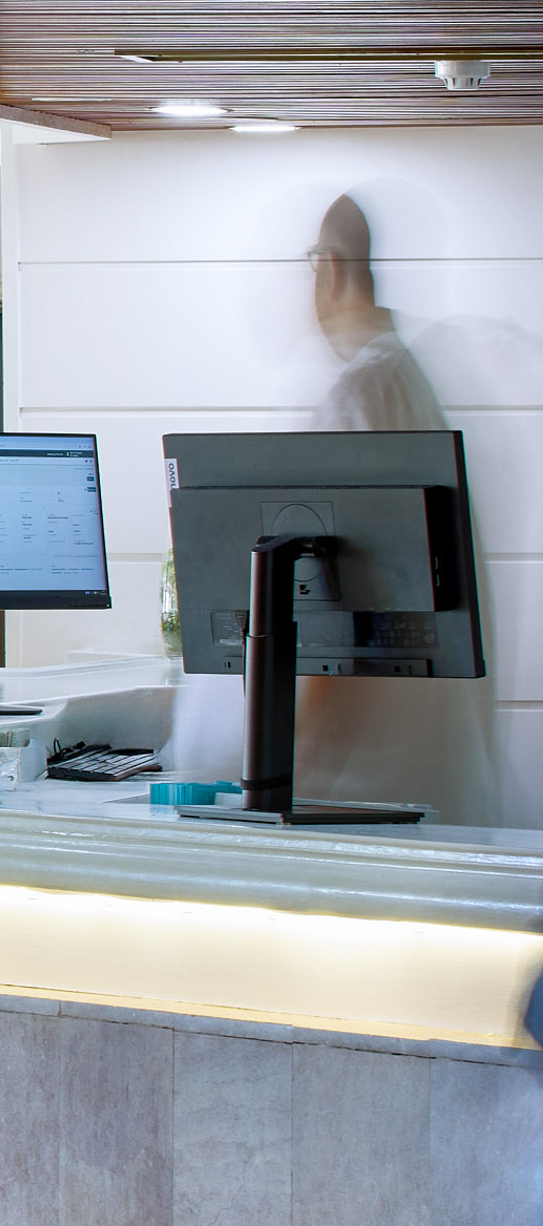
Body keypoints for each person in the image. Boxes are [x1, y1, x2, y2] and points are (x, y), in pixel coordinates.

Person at [171, 197, 500, 823]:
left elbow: (325, 615)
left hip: (356, 796)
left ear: (329, 267)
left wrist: (260, 759)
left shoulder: (356, 398)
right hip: (426, 790)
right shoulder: (410, 387)